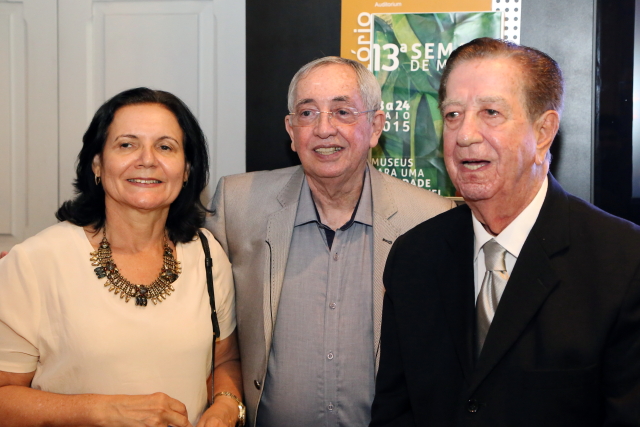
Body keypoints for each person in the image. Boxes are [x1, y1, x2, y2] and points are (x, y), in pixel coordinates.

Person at [370, 37, 640, 426]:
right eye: (452, 115)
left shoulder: (623, 261)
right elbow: (395, 412)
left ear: (543, 132)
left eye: (491, 112)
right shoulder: (413, 256)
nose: (464, 135)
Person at [207, 56, 455, 427]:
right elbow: (209, 334)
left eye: (342, 112)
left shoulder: (429, 219)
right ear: (291, 131)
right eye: (307, 114)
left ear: (375, 126)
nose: (324, 129)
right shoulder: (238, 206)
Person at [0, 88, 245, 427]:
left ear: (187, 169)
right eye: (127, 145)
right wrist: (101, 411)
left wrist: (227, 406)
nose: (147, 159)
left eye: (165, 147)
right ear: (97, 164)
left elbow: (225, 360)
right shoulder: (34, 262)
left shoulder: (207, 253)